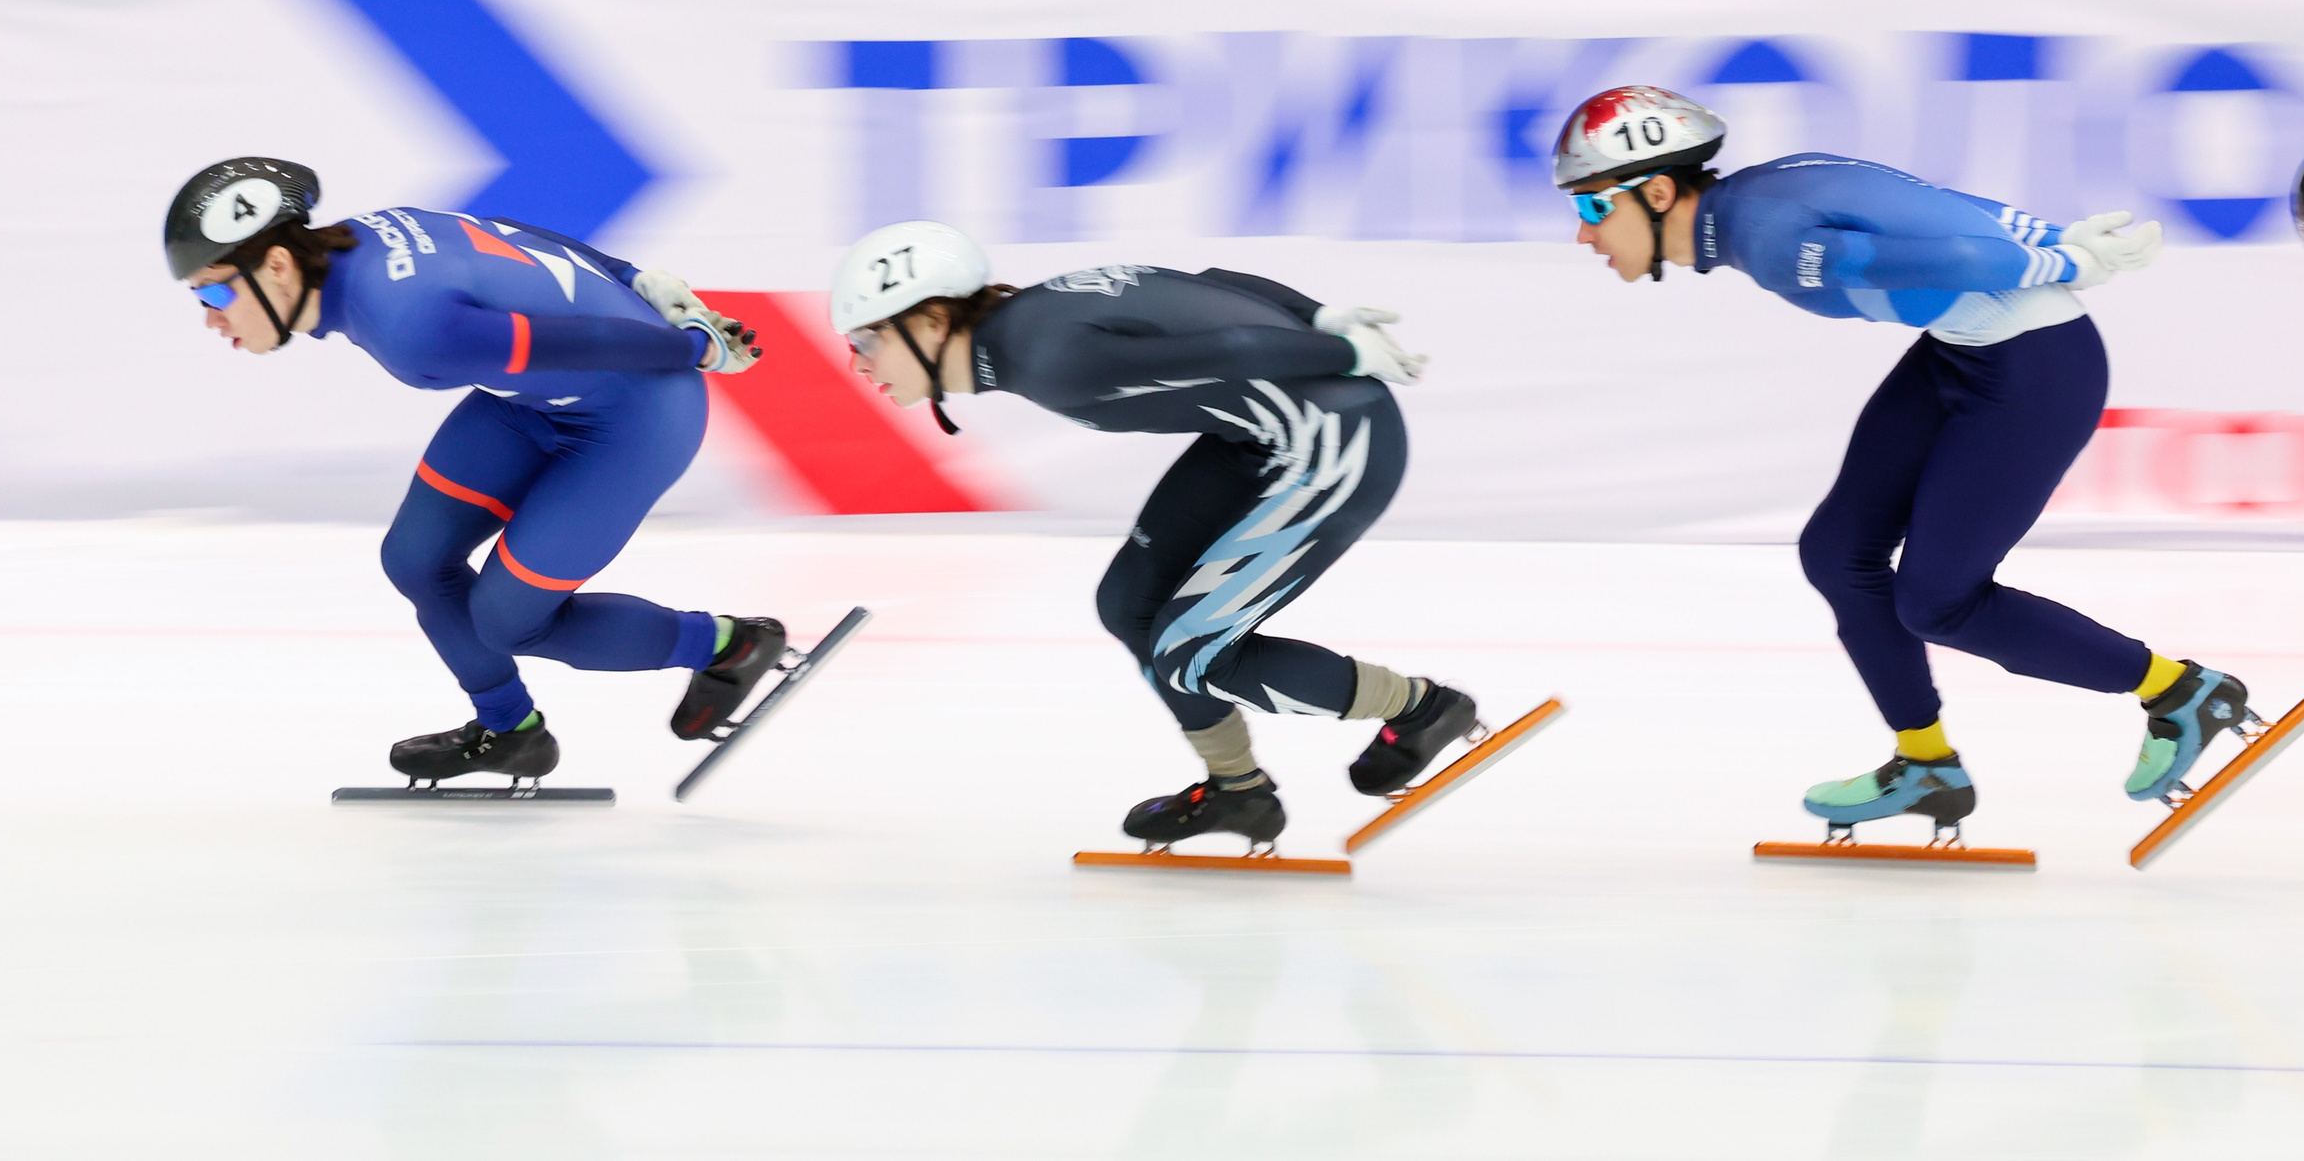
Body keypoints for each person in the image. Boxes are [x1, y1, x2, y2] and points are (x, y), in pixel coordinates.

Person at [1556, 85, 2256, 840]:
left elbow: (1951, 252)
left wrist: (2059, 255)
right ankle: (1926, 763)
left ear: (1658, 190)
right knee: (1838, 552)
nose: (1584, 234)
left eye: (1595, 207)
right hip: (1966, 354)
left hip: (2036, 371)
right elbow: (1936, 206)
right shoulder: (1762, 194)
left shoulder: (1766, 237)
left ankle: (2180, 690)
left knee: (1938, 602)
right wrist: (2054, 241)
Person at [830, 220, 1468, 852]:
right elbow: (1214, 283)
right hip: (1259, 435)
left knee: (1193, 651)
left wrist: (1346, 352)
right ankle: (1237, 790)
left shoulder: (1048, 359)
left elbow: (1236, 350)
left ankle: (1419, 709)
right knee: (1130, 607)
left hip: (1337, 444)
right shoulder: (1031, 317)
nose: (857, 364)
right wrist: (1320, 315)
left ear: (933, 321)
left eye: (866, 337)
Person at [164, 157, 777, 784]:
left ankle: (729, 648)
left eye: (214, 293)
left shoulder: (411, 330)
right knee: (416, 559)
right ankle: (510, 731)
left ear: (276, 265)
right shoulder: (368, 231)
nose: (212, 318)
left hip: (639, 416)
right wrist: (632, 275)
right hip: (543, 397)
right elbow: (505, 230)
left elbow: (573, 343)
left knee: (508, 619)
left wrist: (695, 348)